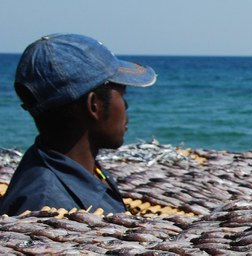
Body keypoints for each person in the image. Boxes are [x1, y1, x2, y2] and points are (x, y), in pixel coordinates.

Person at [0, 34, 156, 215]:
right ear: (93, 105)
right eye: (122, 94)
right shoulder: (47, 208)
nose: (126, 105)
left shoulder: (83, 171)